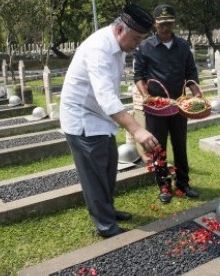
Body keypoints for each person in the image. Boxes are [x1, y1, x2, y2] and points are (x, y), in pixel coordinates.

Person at [60, 4, 159, 238]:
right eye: (136, 38)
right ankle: (105, 226)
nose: (137, 45)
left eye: (142, 39)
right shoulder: (99, 48)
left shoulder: (119, 45)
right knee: (94, 175)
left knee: (107, 168)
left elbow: (107, 93)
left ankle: (108, 210)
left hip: (100, 117)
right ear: (120, 29)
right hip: (82, 119)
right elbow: (105, 96)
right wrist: (137, 130)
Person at [133, 4, 201, 204]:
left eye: (169, 23)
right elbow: (139, 76)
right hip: (156, 108)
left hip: (180, 106)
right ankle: (163, 184)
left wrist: (197, 93)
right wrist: (146, 95)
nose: (166, 28)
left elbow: (191, 72)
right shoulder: (145, 47)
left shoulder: (182, 46)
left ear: (174, 23)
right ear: (155, 24)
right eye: (162, 24)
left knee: (180, 145)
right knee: (158, 147)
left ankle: (183, 183)